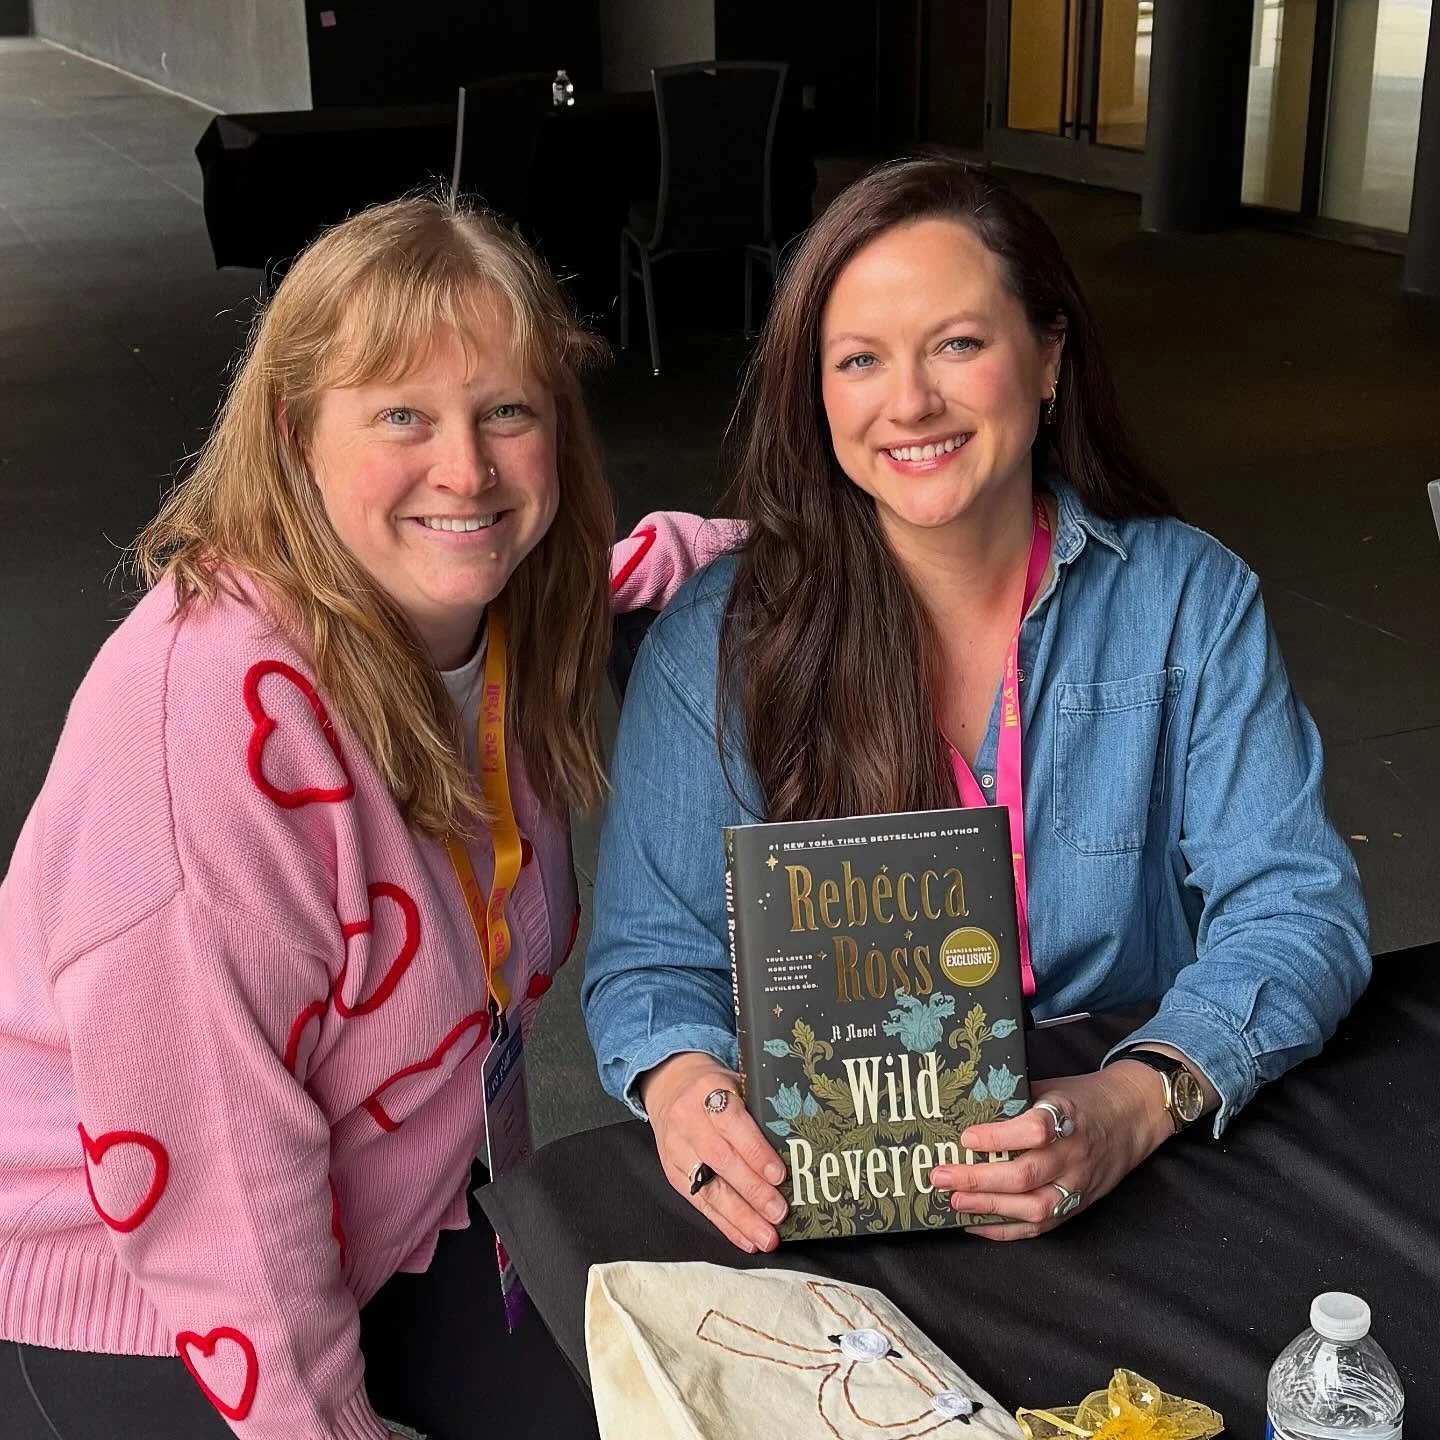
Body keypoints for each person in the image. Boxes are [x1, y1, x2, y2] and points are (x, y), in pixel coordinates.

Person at [0, 196, 736, 1439]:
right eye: (402, 416)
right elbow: (218, 1182)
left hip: (392, 1218)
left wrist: (834, 551)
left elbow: (614, 561)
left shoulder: (486, 613)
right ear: (295, 437)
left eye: (507, 410)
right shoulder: (202, 729)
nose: (468, 468)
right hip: (149, 1291)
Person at [581, 158, 1370, 1255]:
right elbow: (651, 961)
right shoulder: (718, 642)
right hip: (834, 1180)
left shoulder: (1184, 599)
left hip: (1121, 1150)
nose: (909, 403)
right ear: (818, 394)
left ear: (1048, 356)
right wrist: (686, 1089)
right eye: (859, 360)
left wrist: (1139, 1102)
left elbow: (1298, 905)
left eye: (957, 344)